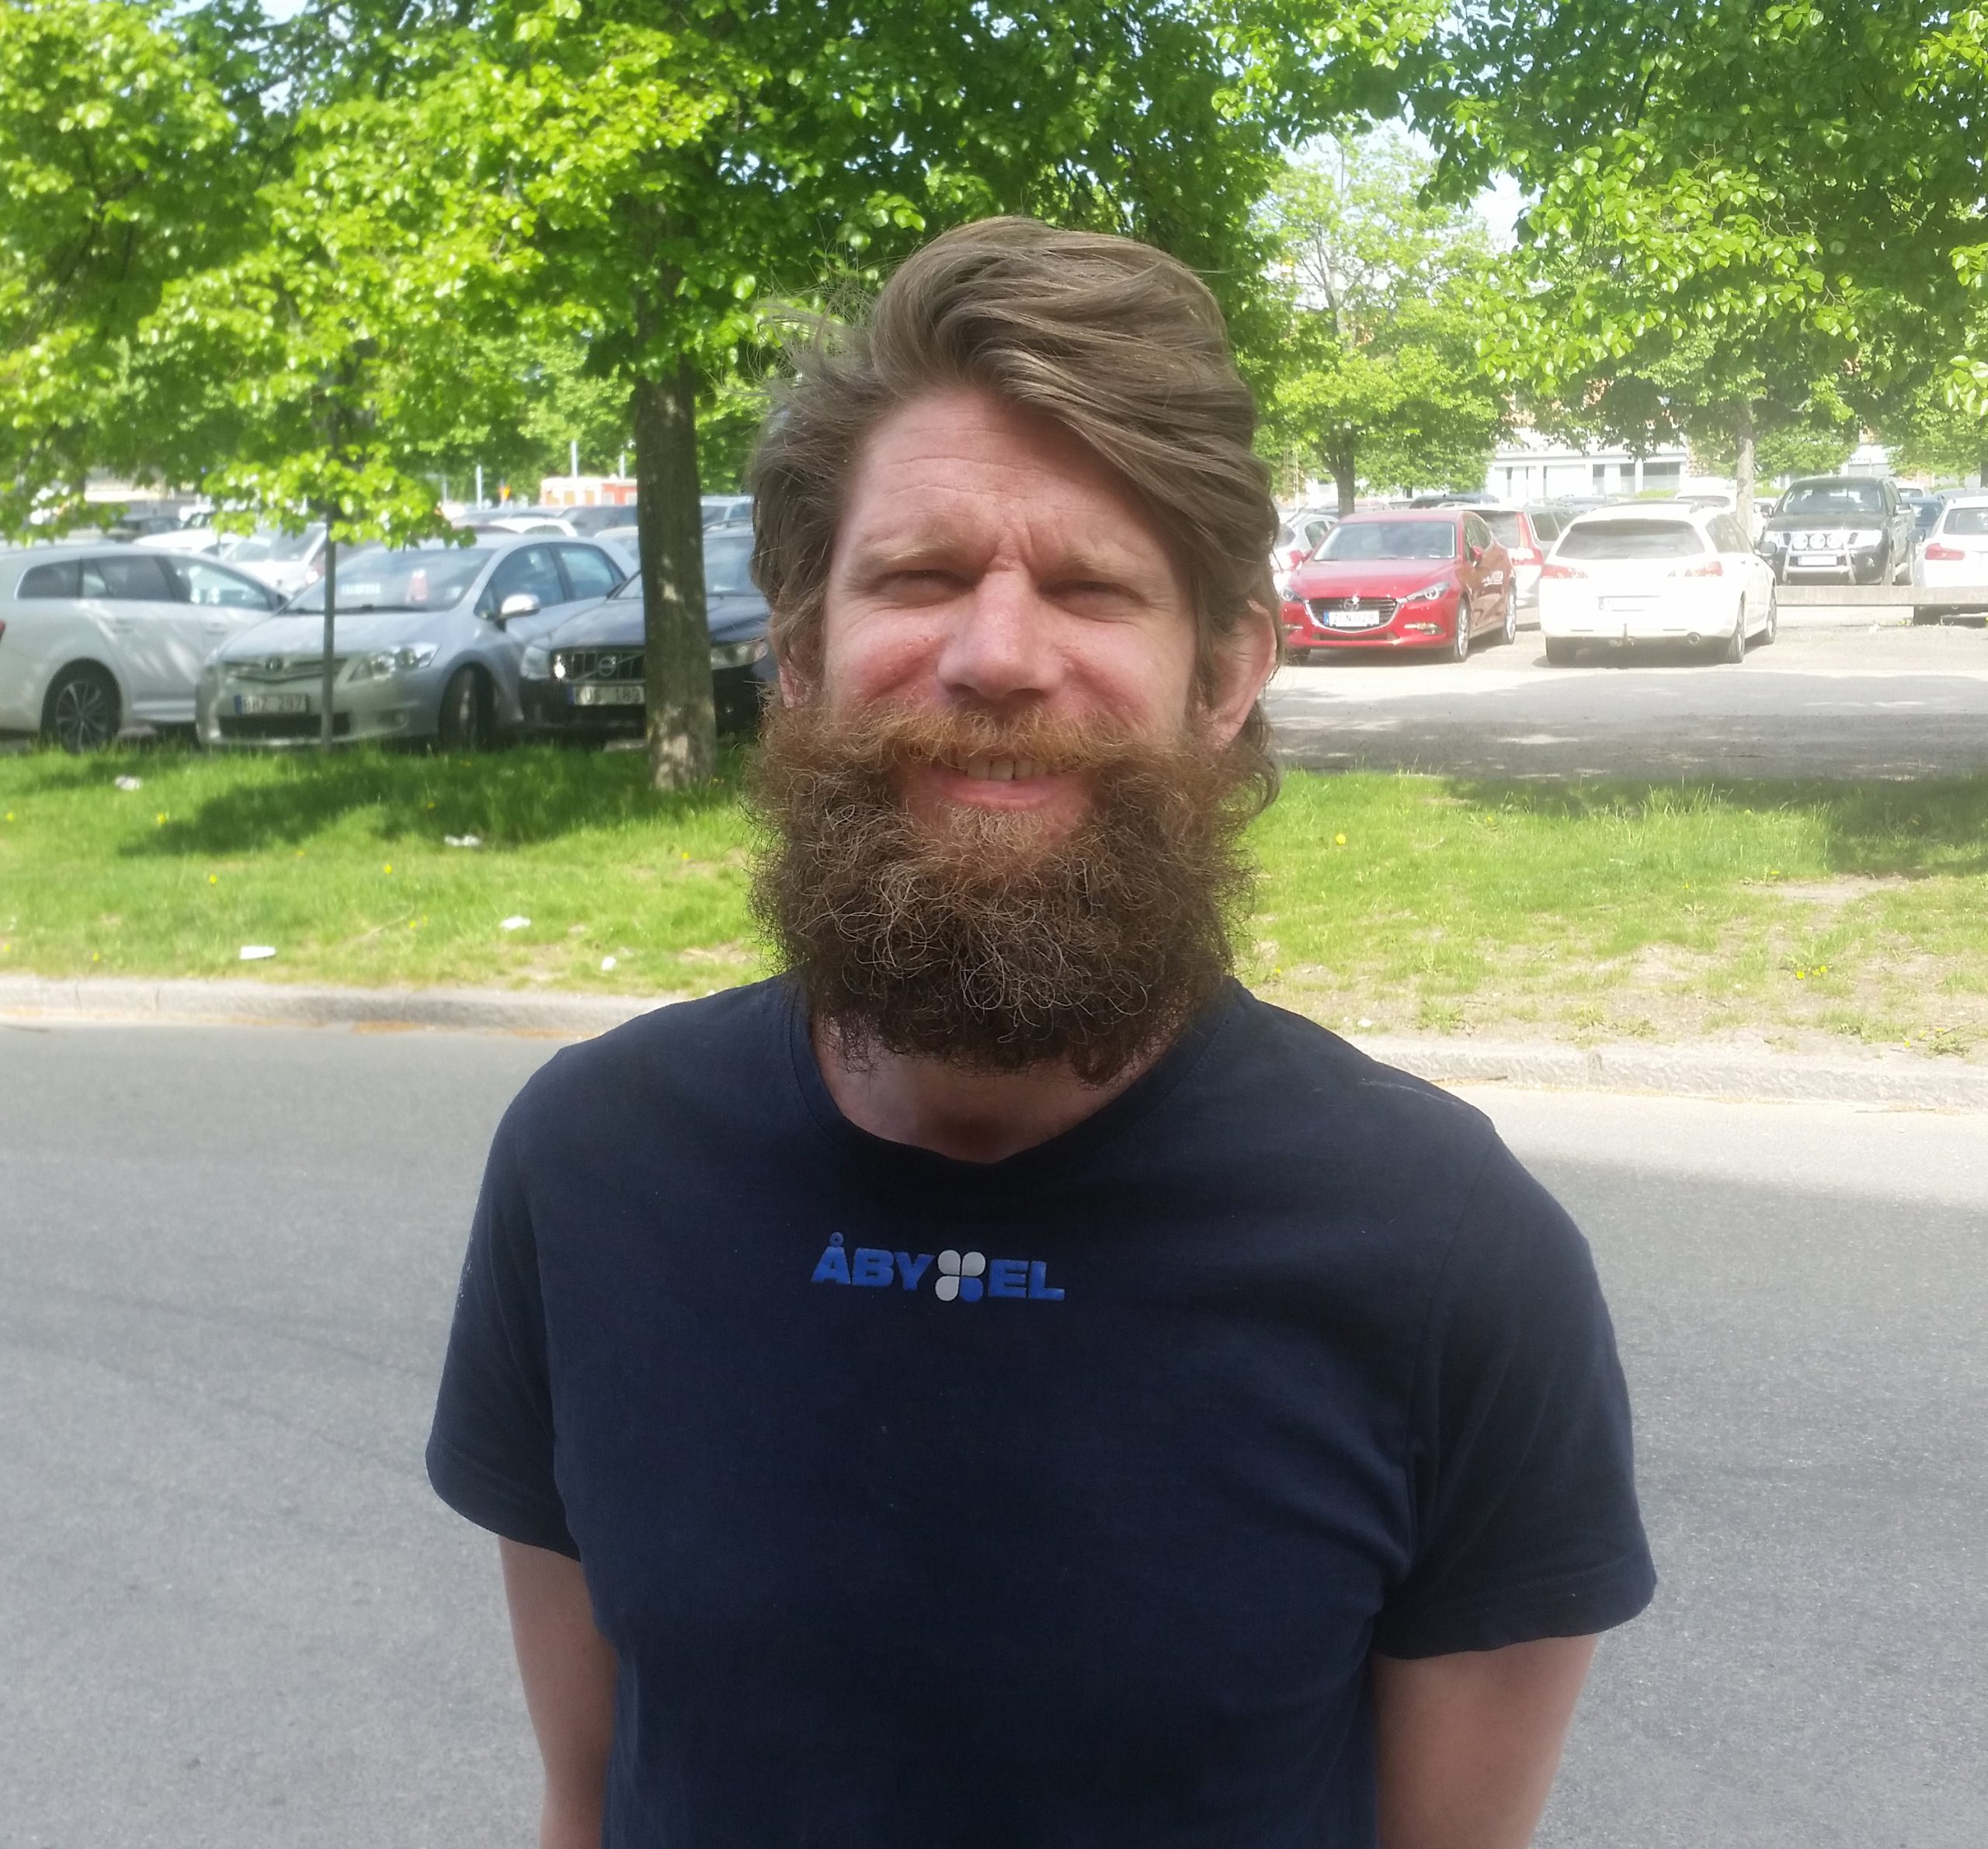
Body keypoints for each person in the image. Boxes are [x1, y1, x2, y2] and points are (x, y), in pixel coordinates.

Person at [426, 217, 1655, 1849]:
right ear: (798, 658)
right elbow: (585, 1798)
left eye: (1089, 587)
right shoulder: (587, 1169)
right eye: (919, 576)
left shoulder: (1452, 1260)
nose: (996, 656)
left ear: (1222, 674)